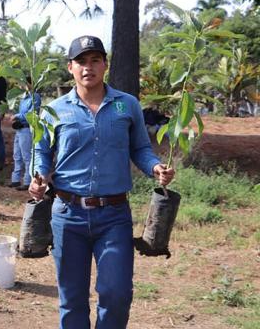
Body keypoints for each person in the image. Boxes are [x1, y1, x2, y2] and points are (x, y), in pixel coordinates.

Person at [28, 35, 176, 329]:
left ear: (105, 65)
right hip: (68, 215)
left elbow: (141, 149)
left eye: (95, 60)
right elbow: (40, 150)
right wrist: (39, 176)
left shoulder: (127, 105)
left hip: (114, 215)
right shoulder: (53, 110)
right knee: (72, 298)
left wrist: (155, 167)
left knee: (117, 293)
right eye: (81, 61)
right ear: (70, 67)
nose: (88, 67)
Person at [9, 81, 41, 191]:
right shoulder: (23, 98)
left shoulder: (35, 97)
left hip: (27, 129)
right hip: (19, 129)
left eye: (25, 84)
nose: (22, 86)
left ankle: (27, 181)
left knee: (27, 156)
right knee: (17, 155)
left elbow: (31, 114)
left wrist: (17, 116)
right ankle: (15, 180)